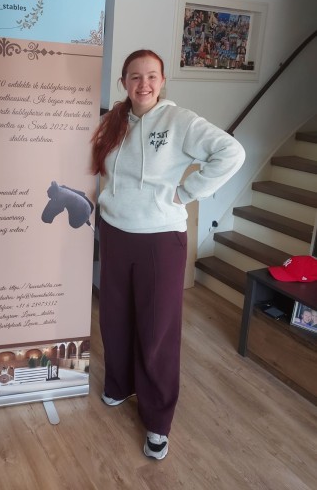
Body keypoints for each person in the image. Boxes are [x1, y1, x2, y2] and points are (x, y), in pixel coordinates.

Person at [91, 49, 245, 460]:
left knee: (157, 329)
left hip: (160, 238)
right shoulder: (112, 122)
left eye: (152, 76)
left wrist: (186, 192)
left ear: (162, 82)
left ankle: (158, 419)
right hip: (115, 231)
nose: (143, 84)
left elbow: (231, 153)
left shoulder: (179, 121)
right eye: (135, 76)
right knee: (115, 317)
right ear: (123, 82)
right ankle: (119, 384)